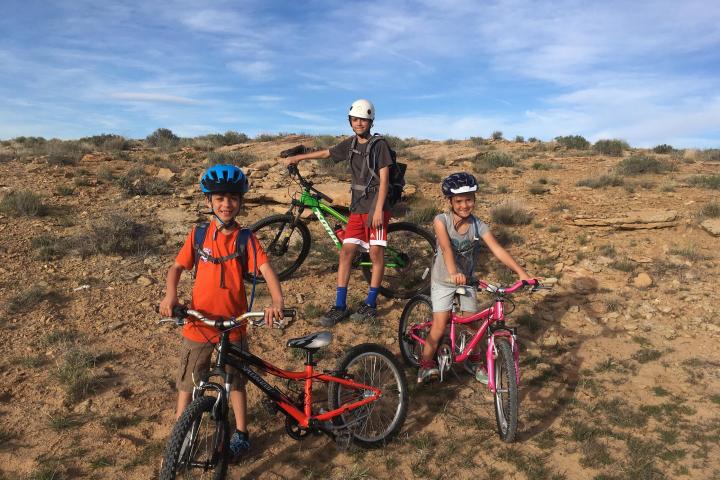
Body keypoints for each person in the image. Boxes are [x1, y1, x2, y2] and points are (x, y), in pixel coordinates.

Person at [159, 164, 284, 459]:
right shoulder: (198, 235)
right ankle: (183, 430)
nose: (226, 204)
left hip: (233, 323)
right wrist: (170, 295)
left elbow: (266, 269)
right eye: (219, 198)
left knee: (235, 380)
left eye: (231, 198)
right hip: (198, 321)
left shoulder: (245, 239)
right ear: (208, 202)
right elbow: (177, 267)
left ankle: (241, 432)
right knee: (189, 378)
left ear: (240, 202)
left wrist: (276, 301)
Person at [283, 99, 392, 326]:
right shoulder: (351, 144)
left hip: (375, 208)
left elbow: (384, 180)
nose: (359, 123)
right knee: (346, 253)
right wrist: (298, 157)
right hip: (357, 208)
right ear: (350, 121)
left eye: (363, 119)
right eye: (355, 119)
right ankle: (340, 305)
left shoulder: (379, 145)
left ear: (370, 121)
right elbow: (326, 153)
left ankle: (371, 304)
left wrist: (379, 208)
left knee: (375, 255)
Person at [417, 172, 531, 384]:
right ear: (450, 201)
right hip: (444, 279)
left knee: (473, 325)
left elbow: (497, 249)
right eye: (459, 201)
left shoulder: (479, 225)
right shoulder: (441, 221)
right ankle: (425, 363)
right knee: (440, 325)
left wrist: (522, 273)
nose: (464, 205)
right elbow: (446, 247)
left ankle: (477, 361)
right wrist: (453, 272)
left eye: (469, 199)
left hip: (467, 280)